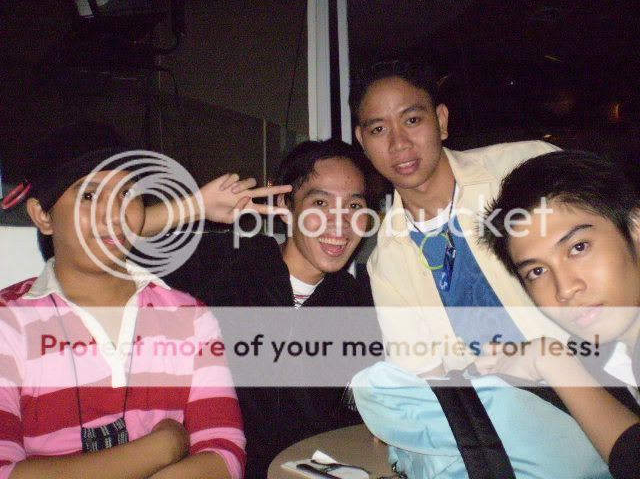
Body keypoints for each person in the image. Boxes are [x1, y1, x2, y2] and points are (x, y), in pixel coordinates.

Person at [0, 123, 251, 479]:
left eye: (128, 193)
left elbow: (224, 455)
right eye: (90, 196)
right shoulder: (9, 323)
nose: (114, 213)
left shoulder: (189, 318)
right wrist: (162, 447)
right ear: (43, 215)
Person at [144, 138, 376, 478]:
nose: (340, 223)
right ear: (285, 204)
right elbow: (97, 246)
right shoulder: (227, 264)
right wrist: (195, 207)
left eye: (354, 206)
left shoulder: (357, 306)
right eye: (320, 203)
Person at [349, 58, 567, 375]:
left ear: (441, 120)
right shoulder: (387, 264)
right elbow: (425, 373)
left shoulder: (526, 168)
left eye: (412, 120)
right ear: (362, 141)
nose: (399, 143)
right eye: (379, 129)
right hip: (493, 402)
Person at [478, 150, 640, 479]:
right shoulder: (603, 355)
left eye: (578, 247)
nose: (565, 288)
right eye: (537, 271)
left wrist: (554, 363)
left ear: (635, 228)